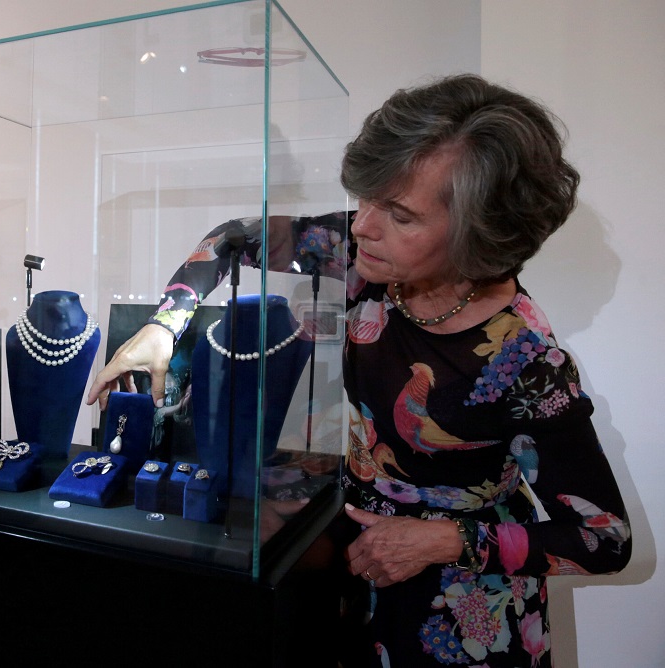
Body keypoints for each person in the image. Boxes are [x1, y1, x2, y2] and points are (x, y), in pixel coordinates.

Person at [85, 74, 632, 667]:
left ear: (481, 231)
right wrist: (167, 322)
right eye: (367, 197)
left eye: (399, 214)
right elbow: (231, 239)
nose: (364, 225)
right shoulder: (367, 257)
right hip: (352, 567)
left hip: (461, 604)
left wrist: (447, 540)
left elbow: (604, 539)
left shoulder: (526, 362)